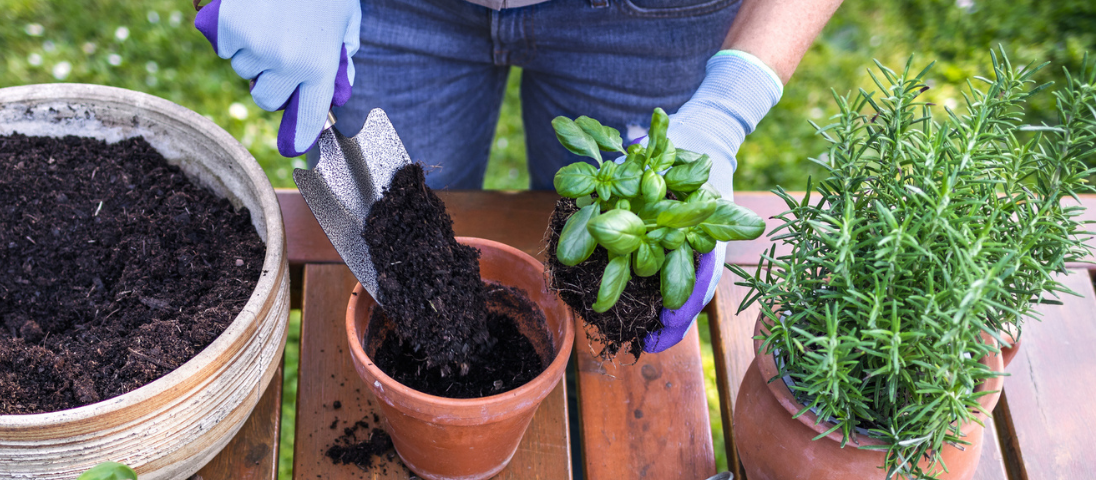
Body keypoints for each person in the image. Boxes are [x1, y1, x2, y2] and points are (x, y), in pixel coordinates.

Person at [194, 0, 843, 353]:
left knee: (609, 301)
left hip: (653, 17)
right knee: (402, 276)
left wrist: (728, 106)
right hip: (390, 12)